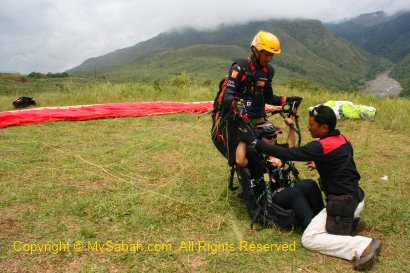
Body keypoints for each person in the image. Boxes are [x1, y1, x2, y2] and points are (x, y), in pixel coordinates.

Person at [238, 105, 381, 271]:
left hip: (343, 204)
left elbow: (288, 153)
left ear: (324, 127)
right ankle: (343, 225)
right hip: (355, 199)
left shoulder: (319, 147)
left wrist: (255, 142)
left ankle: (363, 245)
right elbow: (342, 162)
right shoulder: (342, 140)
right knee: (308, 185)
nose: (308, 127)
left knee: (309, 239)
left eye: (312, 125)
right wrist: (320, 162)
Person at [236, 118, 324, 229]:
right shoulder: (253, 153)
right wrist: (244, 139)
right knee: (295, 193)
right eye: (269, 137)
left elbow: (291, 146)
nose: (273, 139)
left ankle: (323, 217)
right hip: (268, 196)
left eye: (275, 136)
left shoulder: (276, 149)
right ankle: (311, 227)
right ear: (259, 138)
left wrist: (291, 127)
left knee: (309, 184)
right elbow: (239, 161)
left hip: (284, 188)